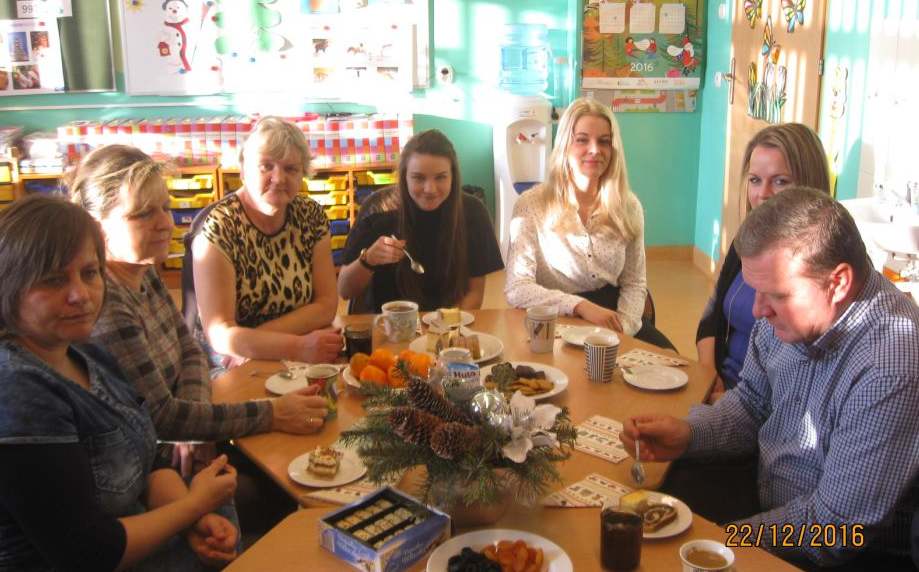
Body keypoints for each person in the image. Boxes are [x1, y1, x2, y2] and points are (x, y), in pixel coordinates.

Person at [621, 187, 919, 568]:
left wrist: (727, 540)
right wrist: (689, 434)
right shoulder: (790, 312)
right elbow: (751, 403)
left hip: (847, 554)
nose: (758, 311)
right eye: (755, 292)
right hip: (768, 496)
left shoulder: (889, 366)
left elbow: (835, 528)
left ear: (838, 283)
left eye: (776, 295)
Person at [0, 195, 238, 571]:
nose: (80, 295)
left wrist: (193, 522)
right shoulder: (18, 393)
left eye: (89, 273)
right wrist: (195, 505)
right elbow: (89, 554)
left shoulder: (86, 353)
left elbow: (150, 459)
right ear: (8, 288)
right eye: (53, 280)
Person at [68, 145, 331, 462]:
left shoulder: (143, 272)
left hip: (186, 431)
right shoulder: (107, 306)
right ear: (97, 227)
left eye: (165, 207)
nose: (165, 223)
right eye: (144, 213)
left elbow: (191, 352)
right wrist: (273, 413)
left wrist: (193, 425)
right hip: (148, 464)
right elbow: (161, 418)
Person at [504, 97, 673, 349]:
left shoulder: (629, 207)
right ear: (565, 146)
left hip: (613, 318)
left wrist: (623, 330)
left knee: (672, 360)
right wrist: (580, 306)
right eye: (582, 140)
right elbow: (517, 288)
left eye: (604, 141)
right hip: (556, 316)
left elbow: (635, 283)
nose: (595, 150)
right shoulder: (530, 206)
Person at [190, 117, 341, 367]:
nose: (279, 178)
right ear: (243, 171)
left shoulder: (311, 215)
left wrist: (261, 341)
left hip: (279, 349)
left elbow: (326, 305)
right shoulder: (219, 228)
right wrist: (296, 346)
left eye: (291, 169)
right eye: (266, 166)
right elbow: (220, 334)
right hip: (231, 361)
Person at [696, 123, 830, 397]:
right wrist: (708, 376)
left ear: (809, 184)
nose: (763, 194)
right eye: (755, 180)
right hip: (720, 388)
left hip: (765, 405)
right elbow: (711, 319)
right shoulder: (746, 243)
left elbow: (802, 380)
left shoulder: (817, 269)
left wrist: (730, 404)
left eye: (780, 181)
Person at [338, 129, 504, 312]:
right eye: (418, 178)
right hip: (390, 325)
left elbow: (474, 294)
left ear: (453, 177)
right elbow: (345, 290)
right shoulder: (378, 210)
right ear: (404, 177)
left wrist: (447, 324)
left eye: (441, 177)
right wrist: (368, 259)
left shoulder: (473, 212)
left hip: (450, 324)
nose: (430, 189)